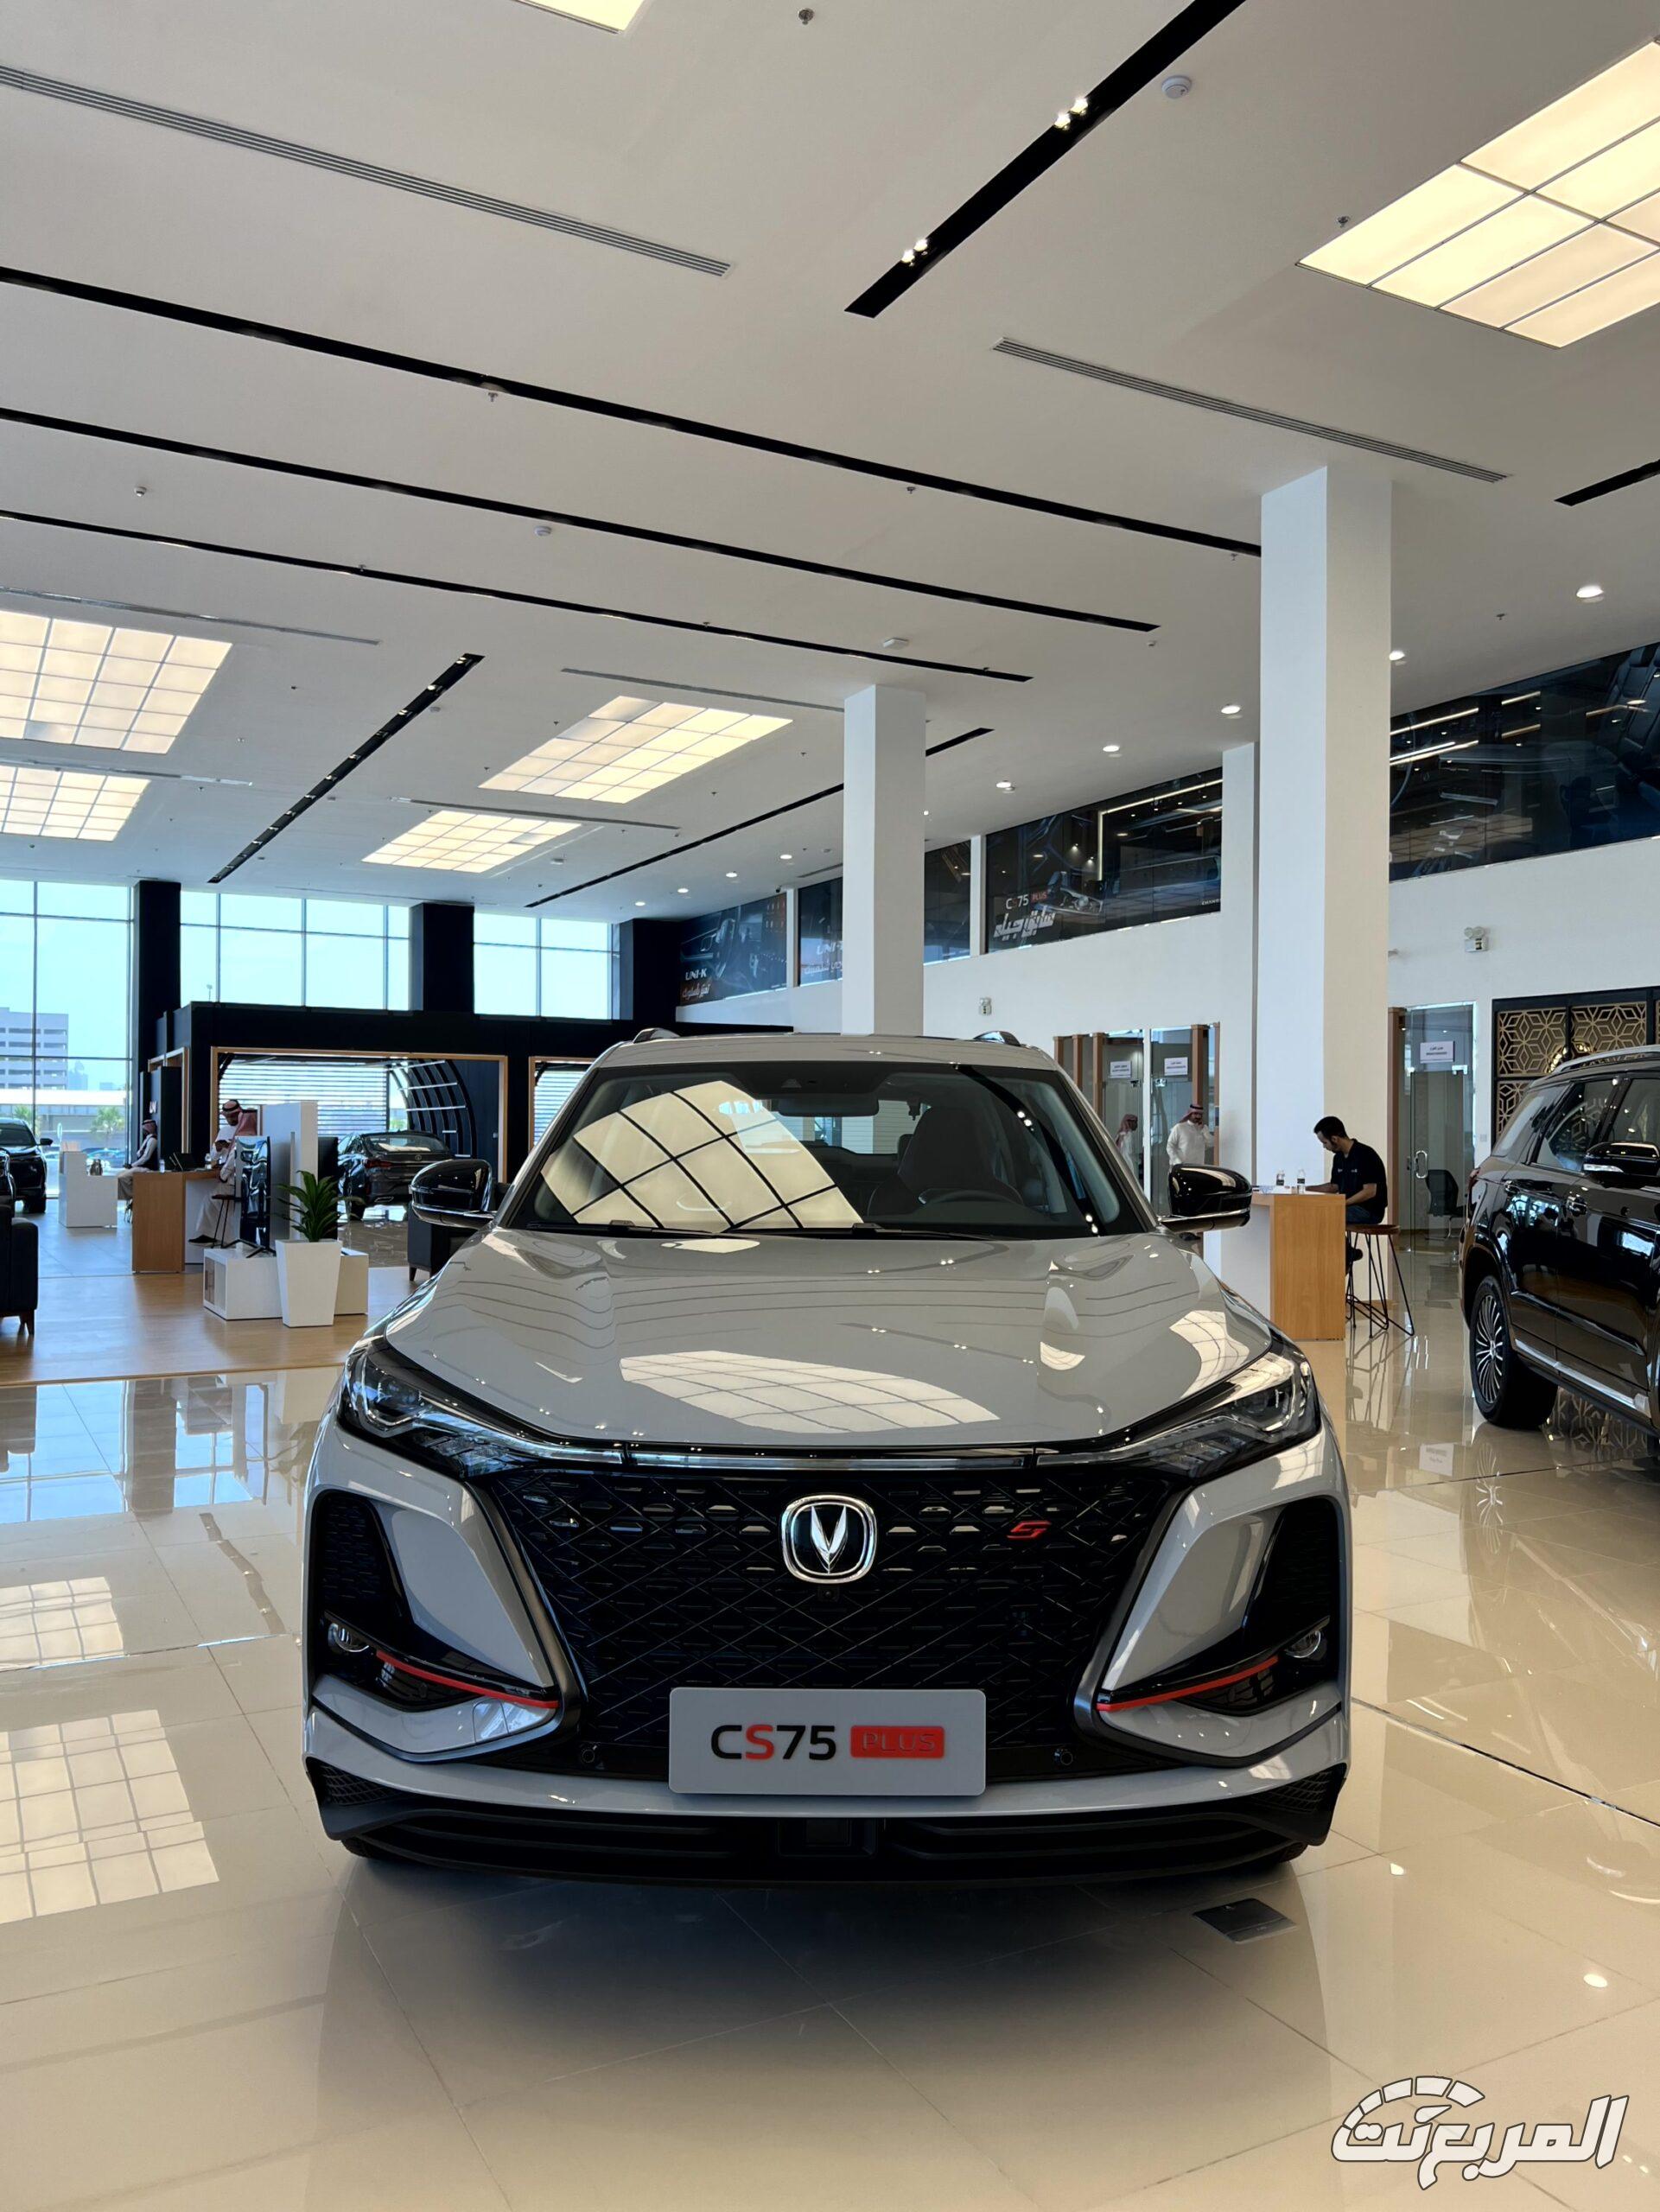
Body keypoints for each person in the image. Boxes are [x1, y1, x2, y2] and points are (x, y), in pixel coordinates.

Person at [1313, 1115, 1389, 1224]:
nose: (1324, 1147)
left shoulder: (1365, 1154)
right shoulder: (1338, 1157)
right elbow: (1334, 1186)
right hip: (1349, 1207)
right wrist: (1304, 1189)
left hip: (1369, 1210)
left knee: (1325, 1214)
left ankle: (1336, 1237)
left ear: (1334, 1139)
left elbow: (1370, 1191)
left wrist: (1343, 1203)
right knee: (1316, 1212)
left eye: (1325, 1143)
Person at [118, 1116, 159, 1203]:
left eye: (145, 1127)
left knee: (122, 1177)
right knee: (118, 1174)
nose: (144, 1130)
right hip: (140, 1167)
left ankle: (133, 1194)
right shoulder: (147, 1139)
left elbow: (146, 1157)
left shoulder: (153, 1140)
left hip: (147, 1168)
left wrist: (132, 1166)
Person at [1167, 1103, 1209, 1169]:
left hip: (1199, 1168)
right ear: (1190, 1114)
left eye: (1200, 1114)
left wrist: (1204, 1131)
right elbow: (1170, 1146)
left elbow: (1210, 1144)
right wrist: (1178, 1162)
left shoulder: (1204, 1129)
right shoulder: (1179, 1127)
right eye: (1195, 1114)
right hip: (1182, 1168)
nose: (1198, 1116)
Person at [1114, 1111, 1142, 1179]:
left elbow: (1124, 1149)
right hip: (1126, 1162)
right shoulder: (1125, 1134)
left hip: (1125, 1162)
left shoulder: (1125, 1134)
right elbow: (1129, 1151)